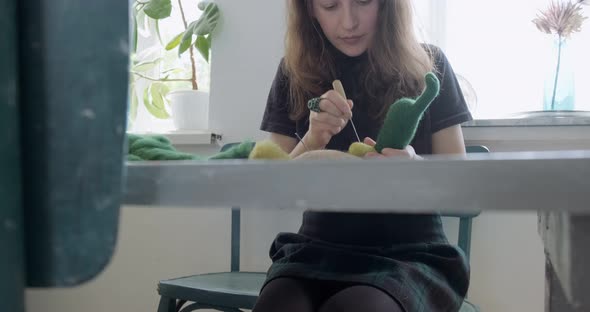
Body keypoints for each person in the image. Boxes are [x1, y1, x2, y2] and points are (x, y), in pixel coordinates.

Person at [254, 0, 473, 311]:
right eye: (330, 6)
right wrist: (312, 139)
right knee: (277, 306)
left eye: (363, 2)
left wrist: (417, 169)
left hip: (410, 253)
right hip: (317, 249)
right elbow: (270, 187)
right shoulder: (294, 72)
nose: (349, 22)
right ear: (309, 9)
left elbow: (464, 193)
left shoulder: (429, 65)